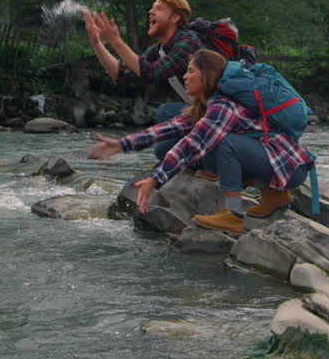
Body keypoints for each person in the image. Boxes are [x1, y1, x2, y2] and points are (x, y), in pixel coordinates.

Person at [88, 49, 314, 236]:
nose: (184, 77)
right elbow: (170, 127)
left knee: (227, 144)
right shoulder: (207, 106)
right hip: (273, 164)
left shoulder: (224, 105)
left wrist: (155, 180)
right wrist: (121, 144)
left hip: (291, 169)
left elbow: (193, 144)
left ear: (205, 75)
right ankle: (274, 194)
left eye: (190, 71)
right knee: (189, 146)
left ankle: (233, 214)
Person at [83, 0, 202, 160]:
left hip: (220, 116)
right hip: (201, 113)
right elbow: (122, 74)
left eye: (159, 8)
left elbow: (152, 73)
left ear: (175, 17)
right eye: (152, 7)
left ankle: (208, 157)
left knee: (165, 112)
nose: (151, 11)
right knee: (162, 151)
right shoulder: (158, 50)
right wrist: (96, 42)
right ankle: (200, 162)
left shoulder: (188, 41)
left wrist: (116, 41)